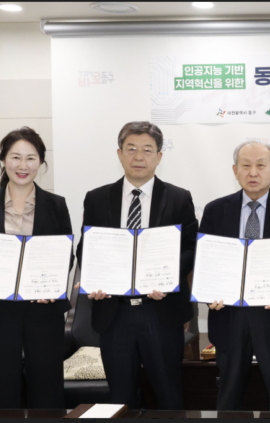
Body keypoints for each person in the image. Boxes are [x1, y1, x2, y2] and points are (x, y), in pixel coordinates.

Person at [74, 121, 197, 409]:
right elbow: (87, 247)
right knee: (121, 399)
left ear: (159, 156)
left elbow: (191, 248)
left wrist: (168, 279)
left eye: (147, 150)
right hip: (114, 312)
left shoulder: (179, 198)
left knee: (169, 396)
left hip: (161, 311)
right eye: (131, 149)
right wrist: (94, 278)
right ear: (119, 154)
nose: (138, 157)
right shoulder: (97, 198)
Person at [0, 127, 73, 408]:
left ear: (41, 162)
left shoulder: (56, 205)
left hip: (42, 309)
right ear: (3, 161)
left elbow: (65, 255)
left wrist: (53, 284)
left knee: (47, 387)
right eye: (15, 157)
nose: (23, 165)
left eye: (31, 158)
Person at [199, 141, 270, 410]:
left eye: (261, 165)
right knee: (229, 396)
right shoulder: (215, 210)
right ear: (235, 170)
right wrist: (209, 292)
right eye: (246, 165)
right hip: (230, 315)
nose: (253, 172)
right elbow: (205, 261)